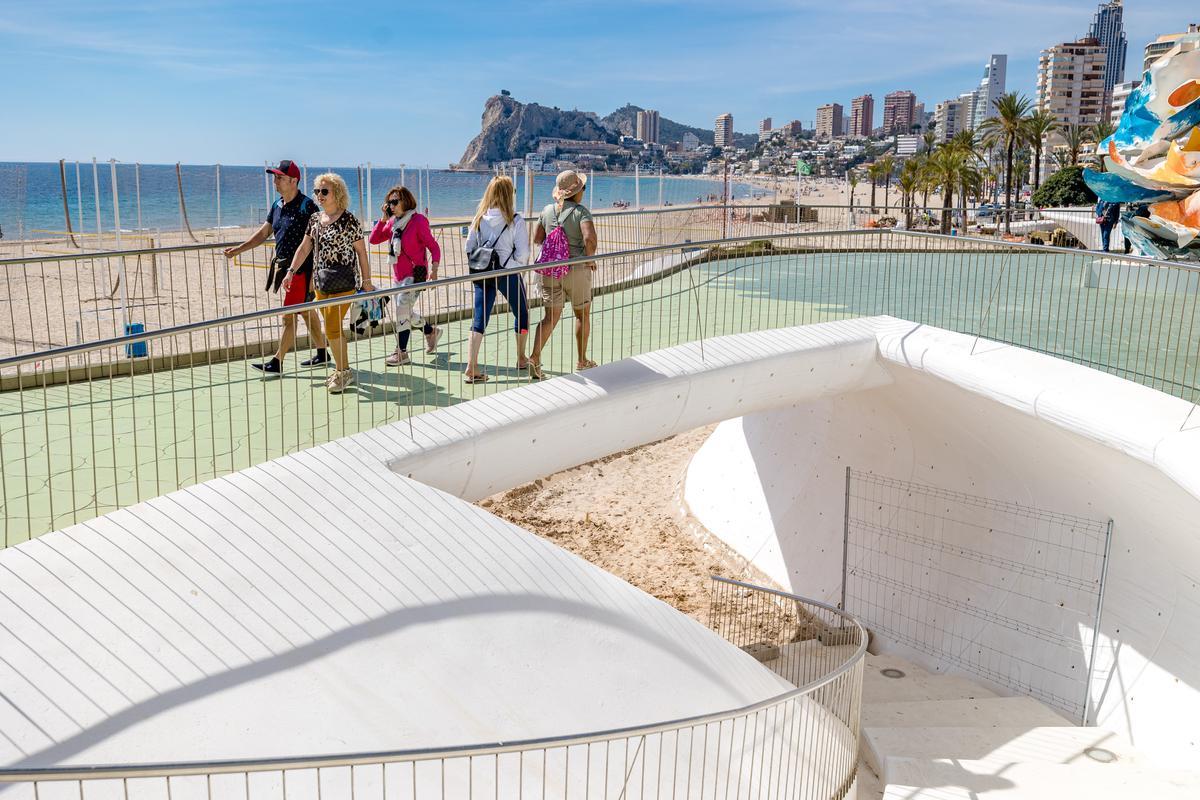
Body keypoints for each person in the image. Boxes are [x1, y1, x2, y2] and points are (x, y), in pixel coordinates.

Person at [223, 160, 328, 374]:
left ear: (293, 181)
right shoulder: (277, 205)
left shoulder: (307, 206)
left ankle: (277, 362)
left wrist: (311, 280)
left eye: (279, 177)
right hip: (285, 272)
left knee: (287, 315)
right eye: (275, 177)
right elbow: (263, 234)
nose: (275, 181)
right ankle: (323, 353)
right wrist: (238, 250)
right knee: (306, 313)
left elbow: (317, 243)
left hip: (302, 271)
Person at [282, 173, 374, 393]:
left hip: (345, 283)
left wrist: (367, 281)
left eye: (325, 191)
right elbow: (304, 248)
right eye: (317, 191)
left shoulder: (349, 219)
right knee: (333, 328)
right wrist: (291, 272)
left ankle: (344, 372)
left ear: (337, 193)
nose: (319, 195)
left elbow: (361, 252)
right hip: (322, 284)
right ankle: (342, 370)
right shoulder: (315, 219)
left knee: (332, 327)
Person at [528, 170, 598, 380]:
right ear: (576, 192)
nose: (583, 192)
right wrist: (588, 259)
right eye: (582, 188)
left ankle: (534, 357)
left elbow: (537, 238)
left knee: (550, 318)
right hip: (575, 269)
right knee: (582, 314)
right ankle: (582, 360)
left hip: (551, 271)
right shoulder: (581, 212)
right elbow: (590, 239)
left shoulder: (547, 210)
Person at [462, 175, 531, 383]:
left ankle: (471, 366)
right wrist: (509, 265)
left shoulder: (479, 217)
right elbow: (523, 253)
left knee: (479, 318)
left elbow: (469, 248)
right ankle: (520, 357)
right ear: (509, 195)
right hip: (506, 273)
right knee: (522, 313)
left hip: (483, 272)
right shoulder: (514, 220)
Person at [368, 186, 441, 366]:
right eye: (389, 203)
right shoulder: (393, 223)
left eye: (394, 202)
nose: (391, 206)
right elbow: (373, 239)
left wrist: (434, 270)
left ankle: (401, 352)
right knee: (405, 311)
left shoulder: (418, 221)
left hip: (415, 275)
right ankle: (430, 331)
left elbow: (434, 246)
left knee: (401, 309)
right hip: (398, 276)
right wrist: (383, 220)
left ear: (405, 201)